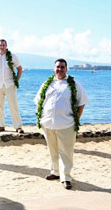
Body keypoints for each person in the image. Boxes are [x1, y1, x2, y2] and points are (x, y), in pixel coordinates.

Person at [34, 58, 89, 189]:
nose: (60, 69)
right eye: (58, 67)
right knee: (52, 150)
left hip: (66, 124)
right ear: (54, 68)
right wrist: (41, 117)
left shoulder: (74, 84)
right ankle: (55, 172)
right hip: (48, 123)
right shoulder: (47, 84)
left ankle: (66, 177)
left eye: (62, 67)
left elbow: (82, 102)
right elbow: (38, 101)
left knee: (66, 152)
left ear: (66, 69)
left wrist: (76, 119)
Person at [0, 39, 23, 133]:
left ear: (6, 46)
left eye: (3, 45)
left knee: (13, 105)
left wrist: (16, 81)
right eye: (0, 45)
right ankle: (1, 125)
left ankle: (18, 126)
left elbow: (19, 69)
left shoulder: (13, 57)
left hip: (10, 84)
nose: (2, 47)